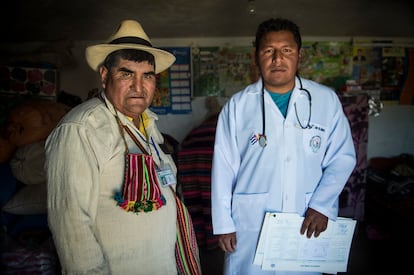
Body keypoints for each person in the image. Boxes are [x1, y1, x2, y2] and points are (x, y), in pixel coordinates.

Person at [211, 18, 357, 275]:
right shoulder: (237, 106)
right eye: (268, 51)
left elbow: (342, 158)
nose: (277, 59)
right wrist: (223, 223)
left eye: (286, 50)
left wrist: (321, 205)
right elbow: (223, 168)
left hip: (308, 219)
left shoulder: (325, 100)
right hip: (251, 221)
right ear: (256, 57)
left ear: (299, 55)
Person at [44, 19, 180, 274]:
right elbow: (71, 225)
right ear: (105, 76)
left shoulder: (149, 123)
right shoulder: (81, 128)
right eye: (127, 73)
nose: (139, 87)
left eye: (147, 76)